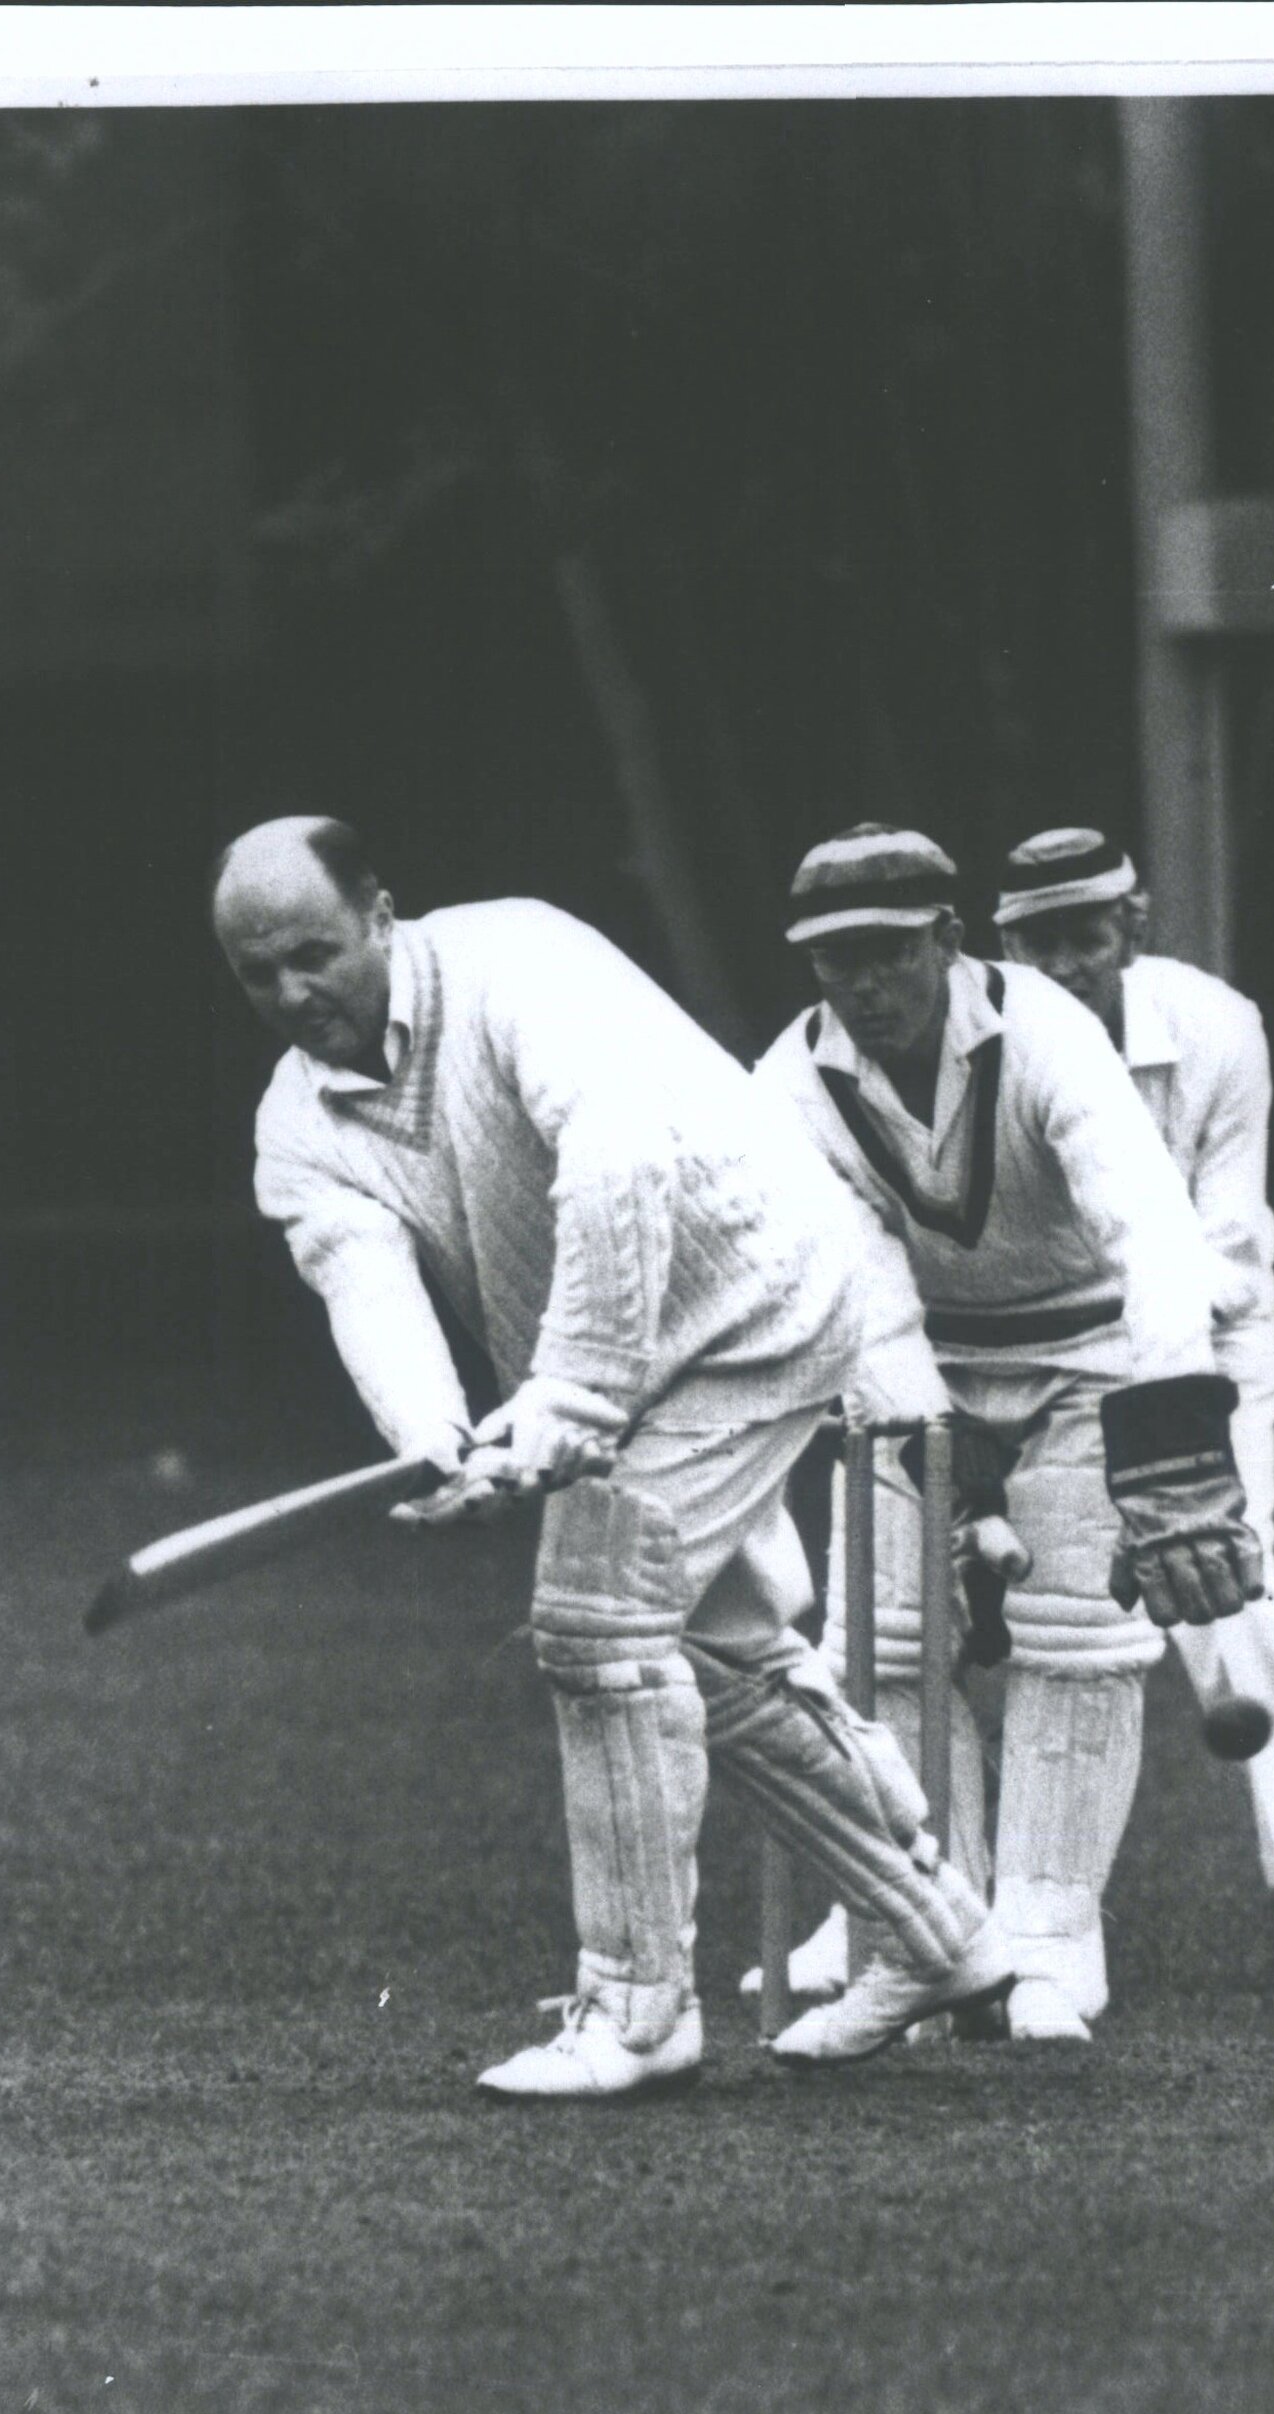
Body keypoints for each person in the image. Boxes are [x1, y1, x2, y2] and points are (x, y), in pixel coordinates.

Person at [208, 815, 1012, 2098]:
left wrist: (575, 1391)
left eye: (315, 952)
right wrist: (436, 1443)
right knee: (712, 1655)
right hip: (618, 1358)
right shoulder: (297, 1125)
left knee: (592, 1626)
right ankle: (942, 1936)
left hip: (759, 1299)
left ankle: (638, 2013)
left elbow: (617, 1168)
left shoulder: (518, 962)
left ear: (381, 914)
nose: (295, 993)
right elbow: (363, 1281)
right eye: (259, 974)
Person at [754, 824, 1268, 2043]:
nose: (862, 985)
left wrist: (1176, 1426)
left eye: (885, 952)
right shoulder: (785, 1083)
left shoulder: (1044, 1031)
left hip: (1093, 1351)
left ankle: (1046, 1938)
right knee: (878, 1643)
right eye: (835, 962)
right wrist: (927, 1420)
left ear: (945, 938)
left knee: (1077, 1641)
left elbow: (1147, 1226)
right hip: (913, 1353)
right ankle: (944, 1931)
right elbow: (850, 1275)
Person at [991, 826, 1274, 1996]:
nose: (1061, 962)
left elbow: (1222, 1240)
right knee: (980, 1610)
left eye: (1084, 937)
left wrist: (1150, 1364)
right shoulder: (980, 1043)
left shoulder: (1216, 1027)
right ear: (1004, 943)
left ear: (1133, 929)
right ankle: (942, 1916)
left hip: (1207, 1342)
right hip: (1035, 1358)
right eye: (1037, 940)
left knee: (1238, 1590)